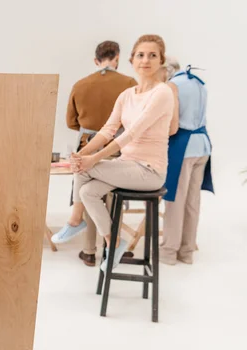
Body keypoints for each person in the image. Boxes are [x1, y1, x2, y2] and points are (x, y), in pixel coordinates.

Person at [52, 34, 174, 271]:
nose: (145, 60)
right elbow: (108, 130)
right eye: (140, 55)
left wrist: (91, 159)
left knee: (86, 170)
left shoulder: (163, 92)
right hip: (127, 165)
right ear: (130, 60)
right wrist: (81, 154)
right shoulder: (127, 94)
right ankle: (114, 242)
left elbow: (131, 133)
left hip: (149, 171)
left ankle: (75, 220)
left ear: (161, 60)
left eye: (152, 55)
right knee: (87, 191)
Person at [65, 41, 137, 266]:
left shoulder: (80, 84)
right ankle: (112, 248)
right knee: (114, 198)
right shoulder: (129, 84)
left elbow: (71, 122)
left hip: (87, 146)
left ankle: (88, 251)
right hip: (118, 146)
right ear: (116, 58)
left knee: (88, 196)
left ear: (96, 60)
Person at [160, 60, 213, 265]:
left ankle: (168, 253)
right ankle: (187, 251)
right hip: (203, 145)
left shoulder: (173, 86)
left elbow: (171, 123)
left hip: (183, 147)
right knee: (192, 202)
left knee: (174, 200)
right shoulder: (199, 83)